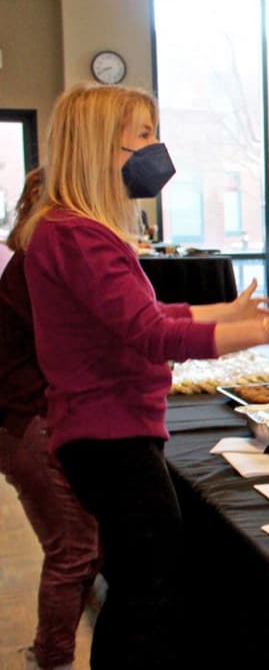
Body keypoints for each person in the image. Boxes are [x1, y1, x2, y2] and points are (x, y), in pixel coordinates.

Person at [16, 83, 269, 669]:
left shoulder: (70, 231)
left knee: (145, 581)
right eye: (142, 135)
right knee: (146, 590)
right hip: (107, 435)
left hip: (104, 431)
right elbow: (153, 335)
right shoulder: (78, 235)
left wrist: (229, 314)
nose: (155, 148)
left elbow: (143, 317)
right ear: (100, 147)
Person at [1, 168, 100, 670]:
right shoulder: (35, 264)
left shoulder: (30, 259)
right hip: (27, 423)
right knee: (75, 551)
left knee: (83, 549)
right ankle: (53, 659)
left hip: (32, 419)